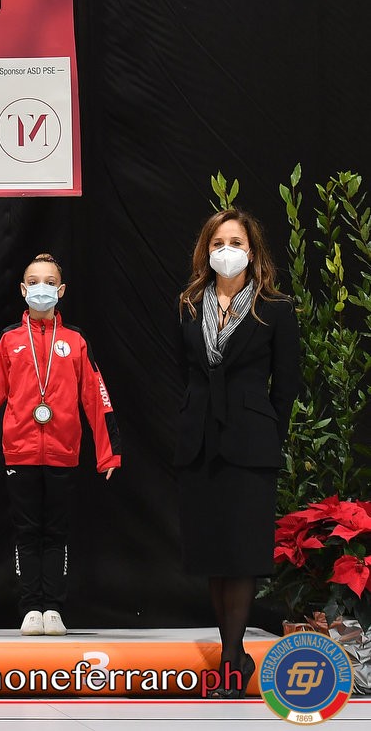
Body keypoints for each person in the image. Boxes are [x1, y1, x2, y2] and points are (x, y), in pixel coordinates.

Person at [0, 253, 120, 637]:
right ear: (23, 290)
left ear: (61, 290)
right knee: (27, 532)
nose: (41, 288)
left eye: (49, 282)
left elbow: (97, 398)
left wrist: (108, 452)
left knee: (56, 532)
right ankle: (30, 607)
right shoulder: (9, 341)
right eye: (34, 281)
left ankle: (53, 608)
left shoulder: (75, 341)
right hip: (20, 452)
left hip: (63, 452)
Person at [176, 209, 299, 698]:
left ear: (252, 250)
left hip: (251, 444)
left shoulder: (275, 308)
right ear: (206, 250)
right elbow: (182, 372)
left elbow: (285, 386)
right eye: (218, 242)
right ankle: (232, 654)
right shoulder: (189, 304)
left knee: (242, 553)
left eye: (236, 242)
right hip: (199, 442)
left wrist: (268, 433)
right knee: (214, 553)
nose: (227, 250)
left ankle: (232, 657)